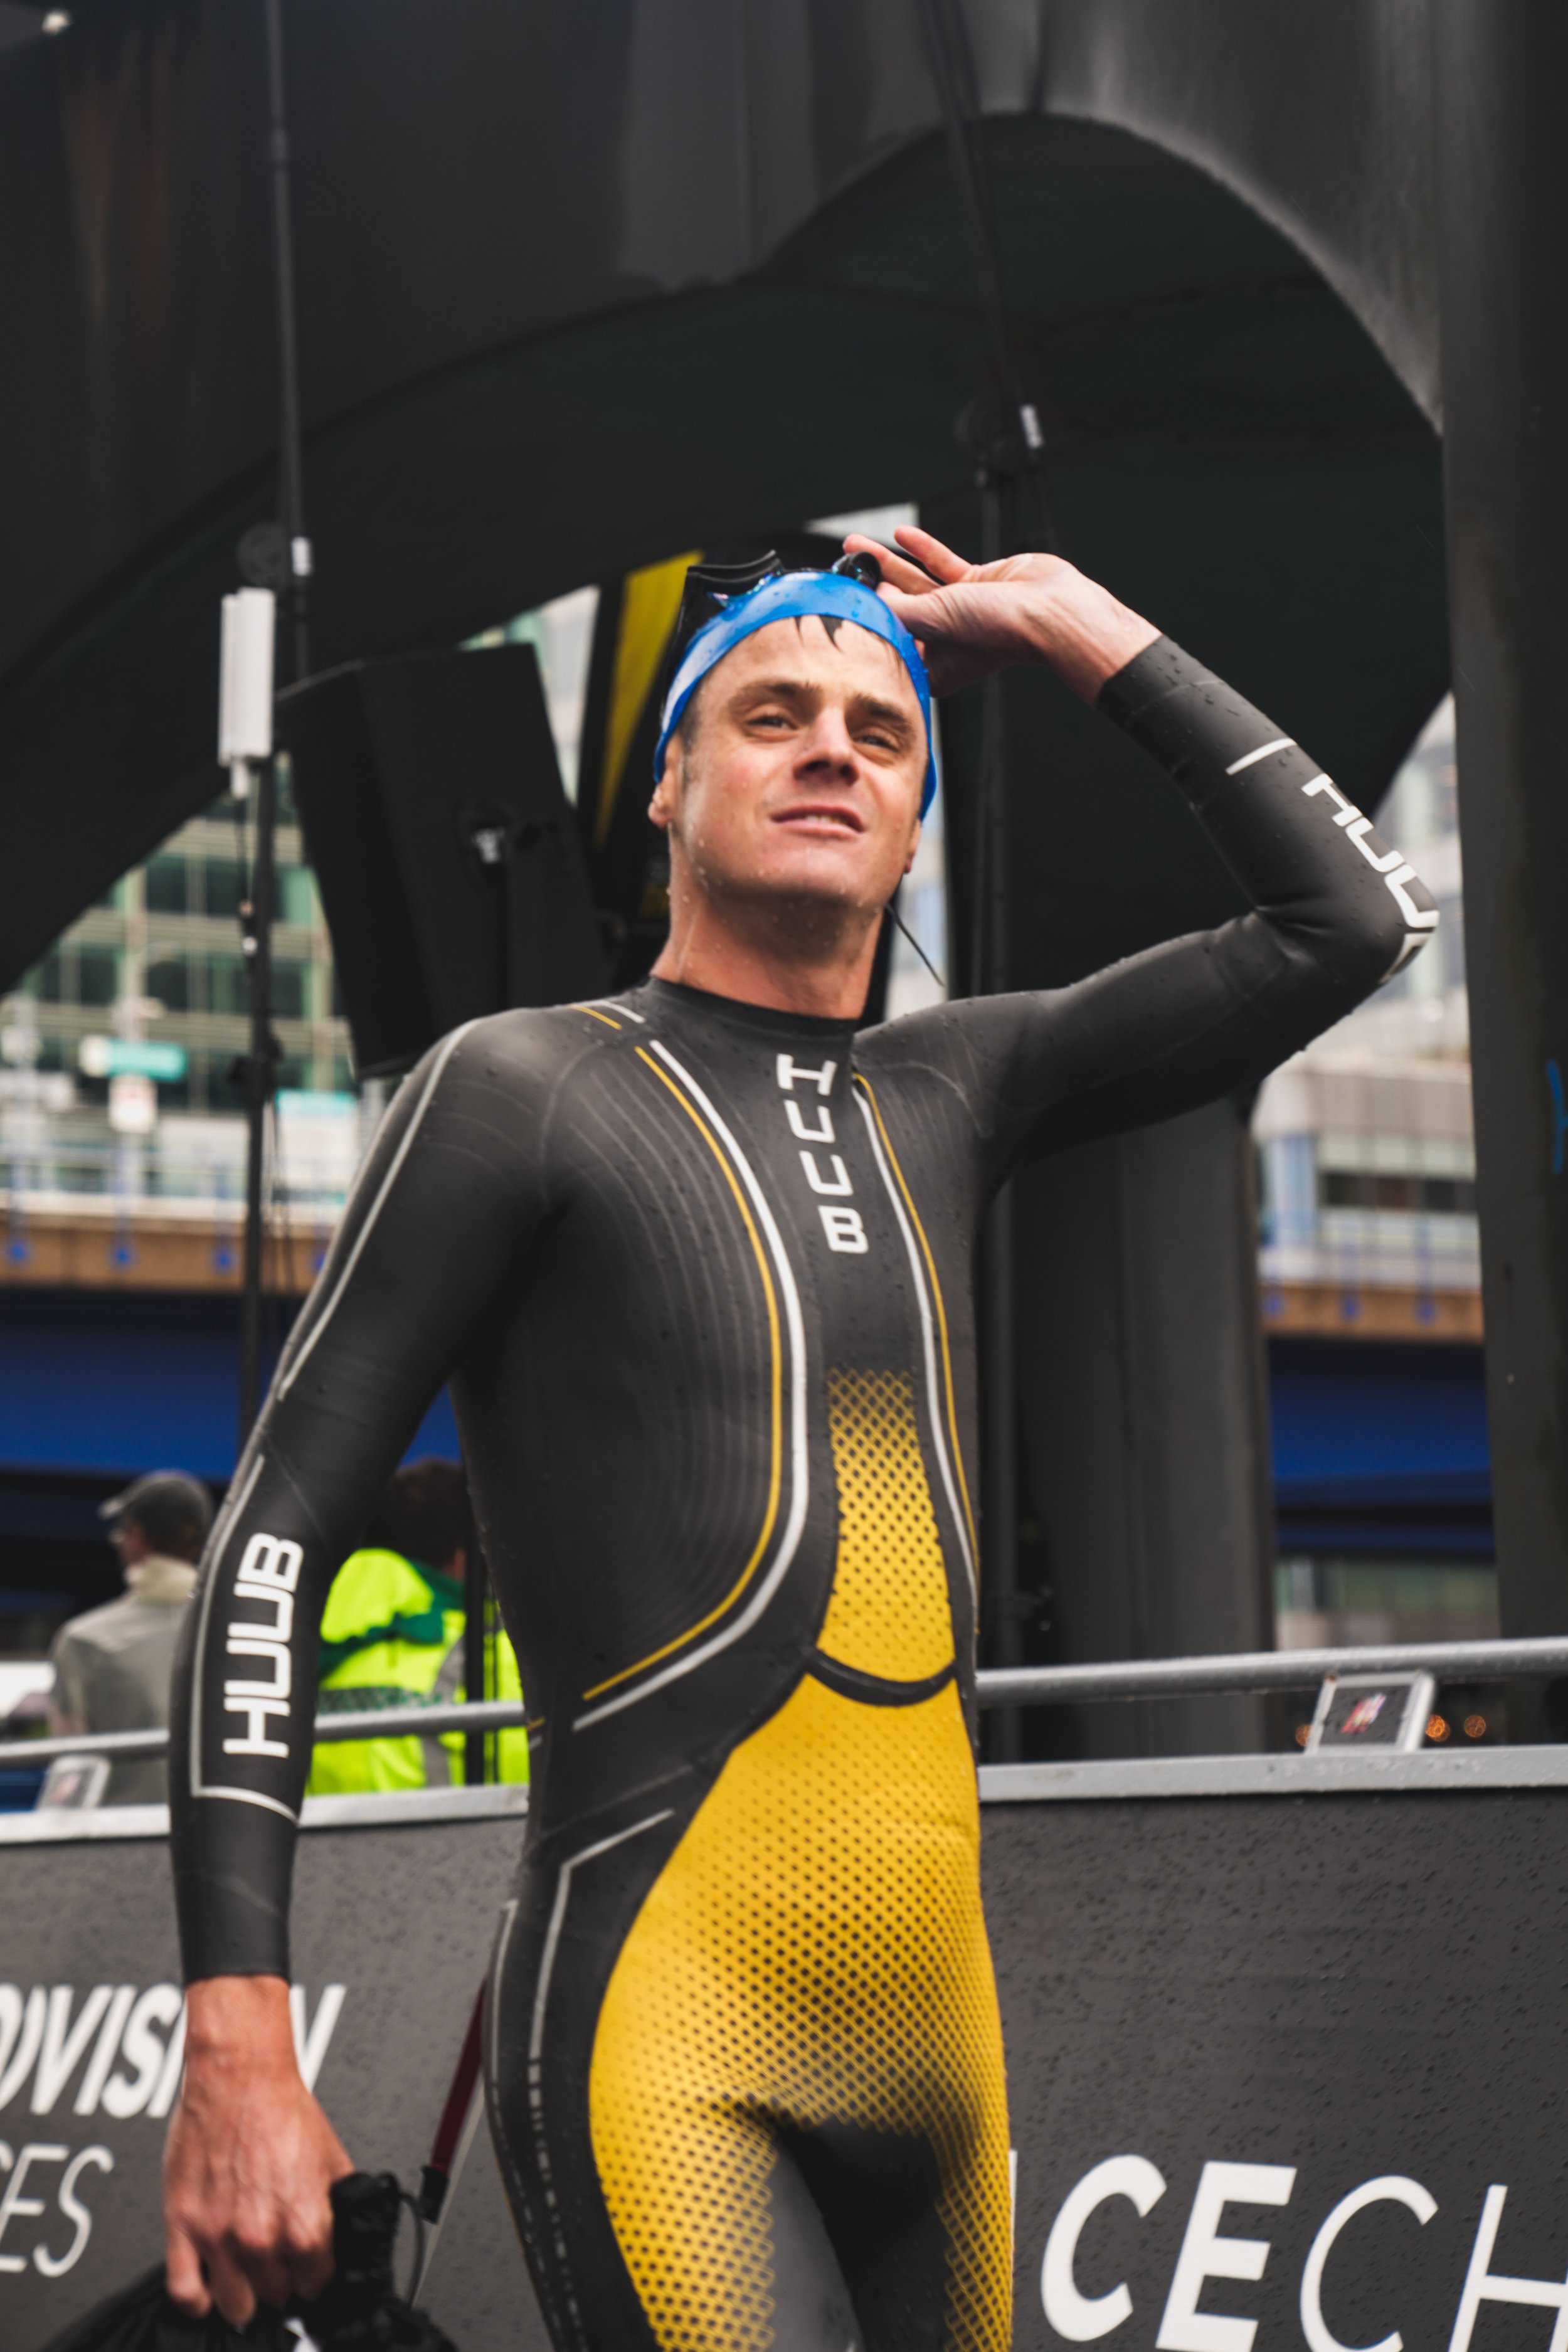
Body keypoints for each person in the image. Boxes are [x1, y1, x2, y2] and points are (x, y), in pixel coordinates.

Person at [161, 531, 1436, 2348]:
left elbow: (1351, 920)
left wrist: (1075, 623)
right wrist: (234, 2023)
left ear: (915, 822)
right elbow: (277, 1526)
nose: (831, 748)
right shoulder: (522, 1086)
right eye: (771, 714)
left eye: (877, 730)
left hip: (944, 2062)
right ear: (669, 784)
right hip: (660, 2022)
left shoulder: (959, 1084)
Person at [307, 1456, 528, 1794]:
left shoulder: (291, 1639)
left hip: (308, 1845)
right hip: (457, 1844)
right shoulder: (504, 1656)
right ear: (462, 1559)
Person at [50, 1469, 212, 1804]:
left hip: (122, 1847)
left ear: (136, 1536)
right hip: (224, 1841)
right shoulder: (240, 1628)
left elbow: (70, 1773)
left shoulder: (84, 1641)